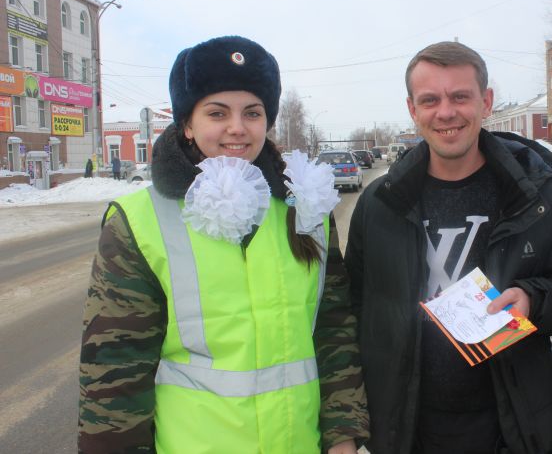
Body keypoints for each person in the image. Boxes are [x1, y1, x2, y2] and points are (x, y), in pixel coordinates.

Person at [79, 36, 368, 453]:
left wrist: (344, 434)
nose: (237, 127)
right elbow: (113, 375)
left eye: (252, 112)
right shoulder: (139, 222)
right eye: (217, 112)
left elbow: (334, 332)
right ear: (187, 124)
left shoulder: (306, 209)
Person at [345, 41, 552, 454]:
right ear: (412, 109)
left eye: (460, 96)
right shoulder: (379, 206)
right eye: (430, 100)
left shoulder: (540, 200)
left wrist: (533, 300)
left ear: (486, 102)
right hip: (405, 430)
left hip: (508, 428)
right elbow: (355, 310)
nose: (446, 112)